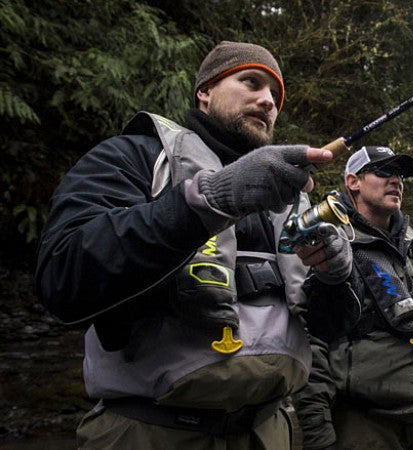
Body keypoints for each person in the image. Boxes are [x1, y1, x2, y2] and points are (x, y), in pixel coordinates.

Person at [35, 40, 355, 449]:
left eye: (275, 95)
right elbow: (62, 275)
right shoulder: (135, 155)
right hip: (150, 432)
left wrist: (337, 278)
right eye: (251, 82)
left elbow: (336, 329)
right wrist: (211, 200)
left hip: (269, 431)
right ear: (204, 91)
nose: (267, 101)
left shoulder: (289, 196)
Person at [293, 146, 413, 450]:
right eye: (384, 171)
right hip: (365, 428)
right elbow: (310, 345)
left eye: (399, 174)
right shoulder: (329, 248)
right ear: (353, 181)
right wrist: (318, 433)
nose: (395, 180)